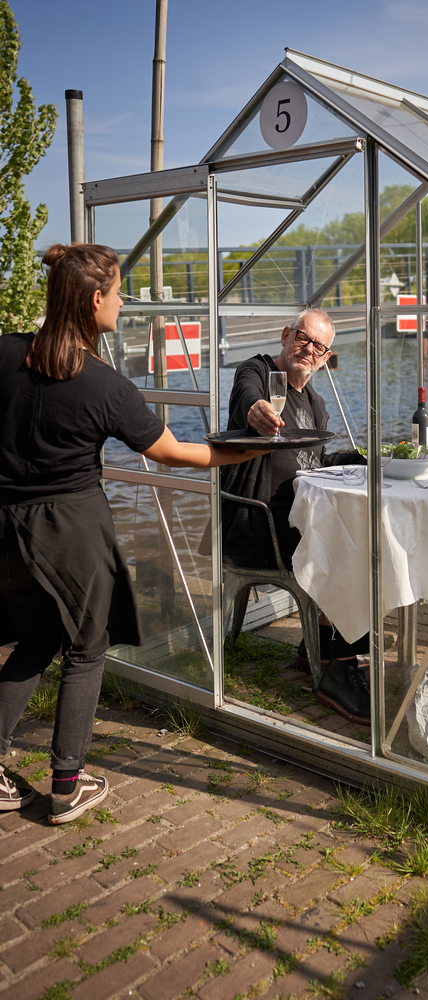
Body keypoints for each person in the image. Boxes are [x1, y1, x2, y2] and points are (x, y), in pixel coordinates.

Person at [0, 243, 262, 824]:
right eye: (118, 292)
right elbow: (175, 452)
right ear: (95, 299)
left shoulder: (4, 355)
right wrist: (245, 446)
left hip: (6, 532)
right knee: (86, 648)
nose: (123, 302)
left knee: (36, 639)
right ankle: (66, 785)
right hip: (70, 531)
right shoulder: (104, 386)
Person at [219, 310, 371, 726]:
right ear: (286, 335)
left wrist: (366, 461)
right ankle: (341, 668)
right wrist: (257, 411)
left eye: (318, 346)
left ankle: (321, 645)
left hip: (299, 521)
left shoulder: (316, 403)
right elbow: (248, 396)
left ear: (325, 358)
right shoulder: (260, 371)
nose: (308, 349)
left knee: (363, 533)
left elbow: (316, 461)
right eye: (303, 338)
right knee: (352, 548)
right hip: (257, 523)